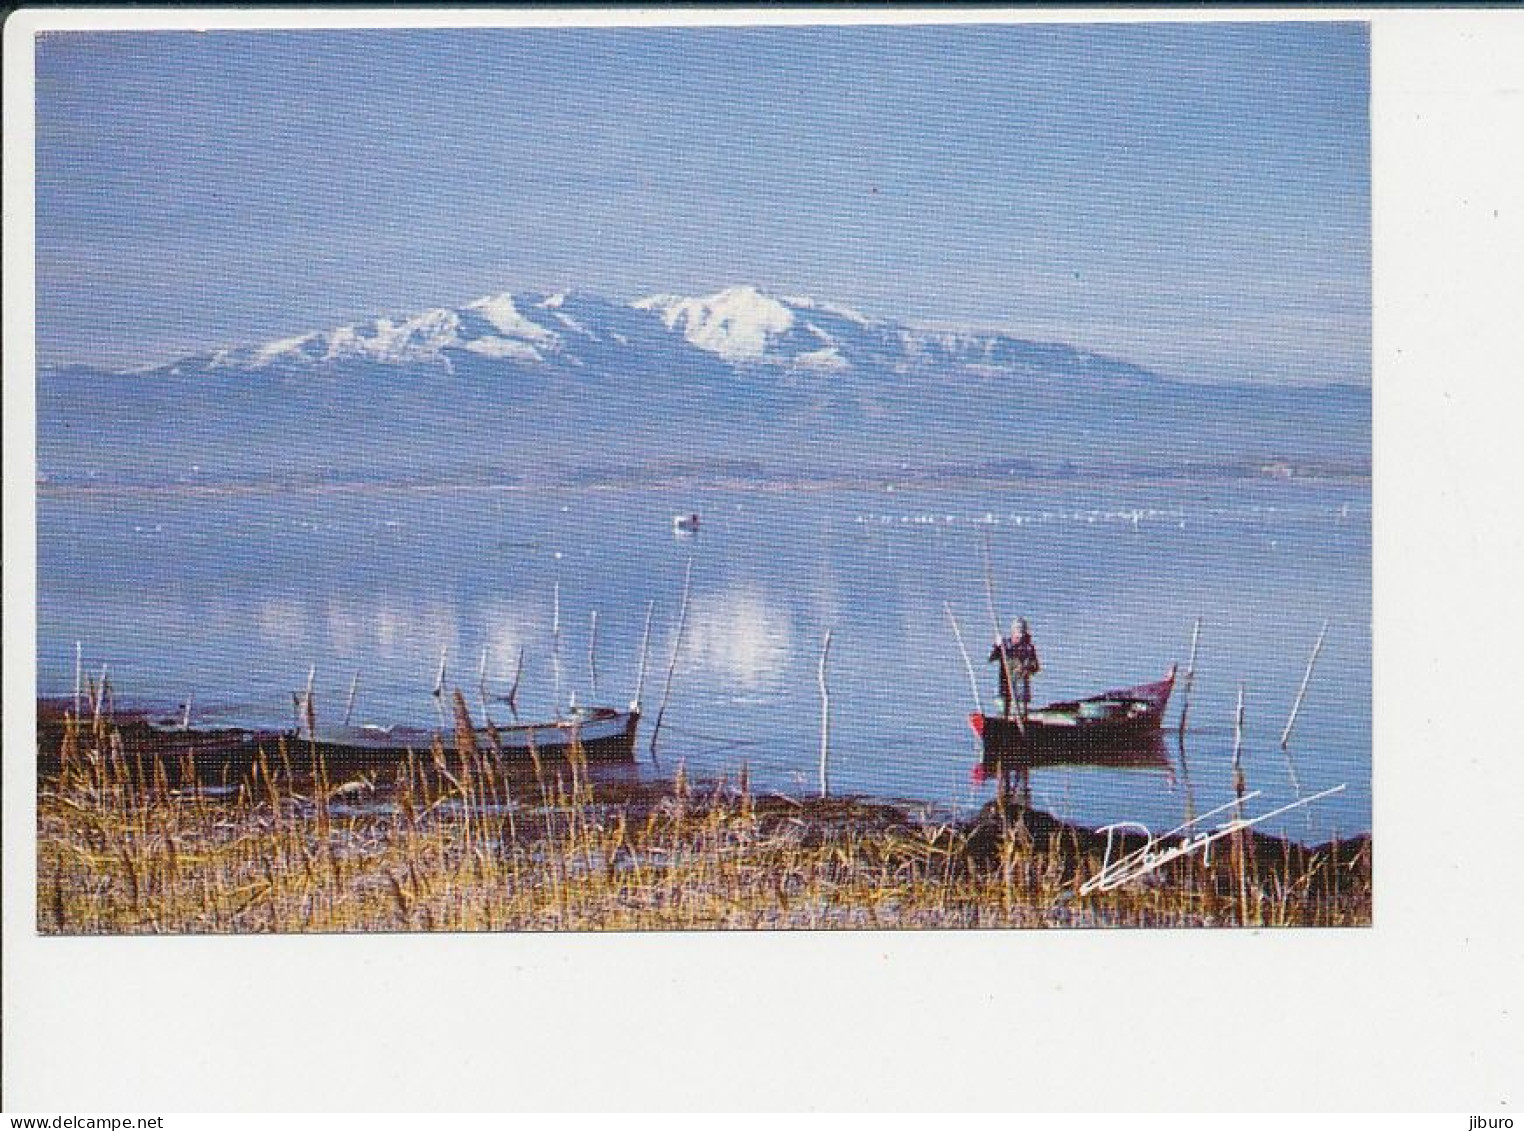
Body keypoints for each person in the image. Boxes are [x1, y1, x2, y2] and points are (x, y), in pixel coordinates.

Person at [989, 617, 1041, 716]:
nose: (1019, 637)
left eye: (1021, 633)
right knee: (1003, 711)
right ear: (1013, 632)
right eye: (1017, 633)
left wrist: (1026, 668)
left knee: (1020, 712)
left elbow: (1035, 667)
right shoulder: (1005, 645)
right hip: (1005, 686)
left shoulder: (1028, 648)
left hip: (1021, 688)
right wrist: (997, 646)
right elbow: (991, 658)